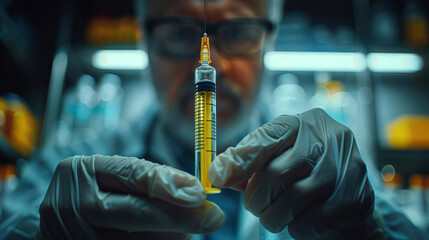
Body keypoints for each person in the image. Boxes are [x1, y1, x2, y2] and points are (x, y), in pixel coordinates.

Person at [0, 0, 427, 239]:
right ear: (142, 38)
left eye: (239, 33)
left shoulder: (329, 166)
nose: (215, 64)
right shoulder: (66, 168)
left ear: (270, 40)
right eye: (180, 34)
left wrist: (369, 234)